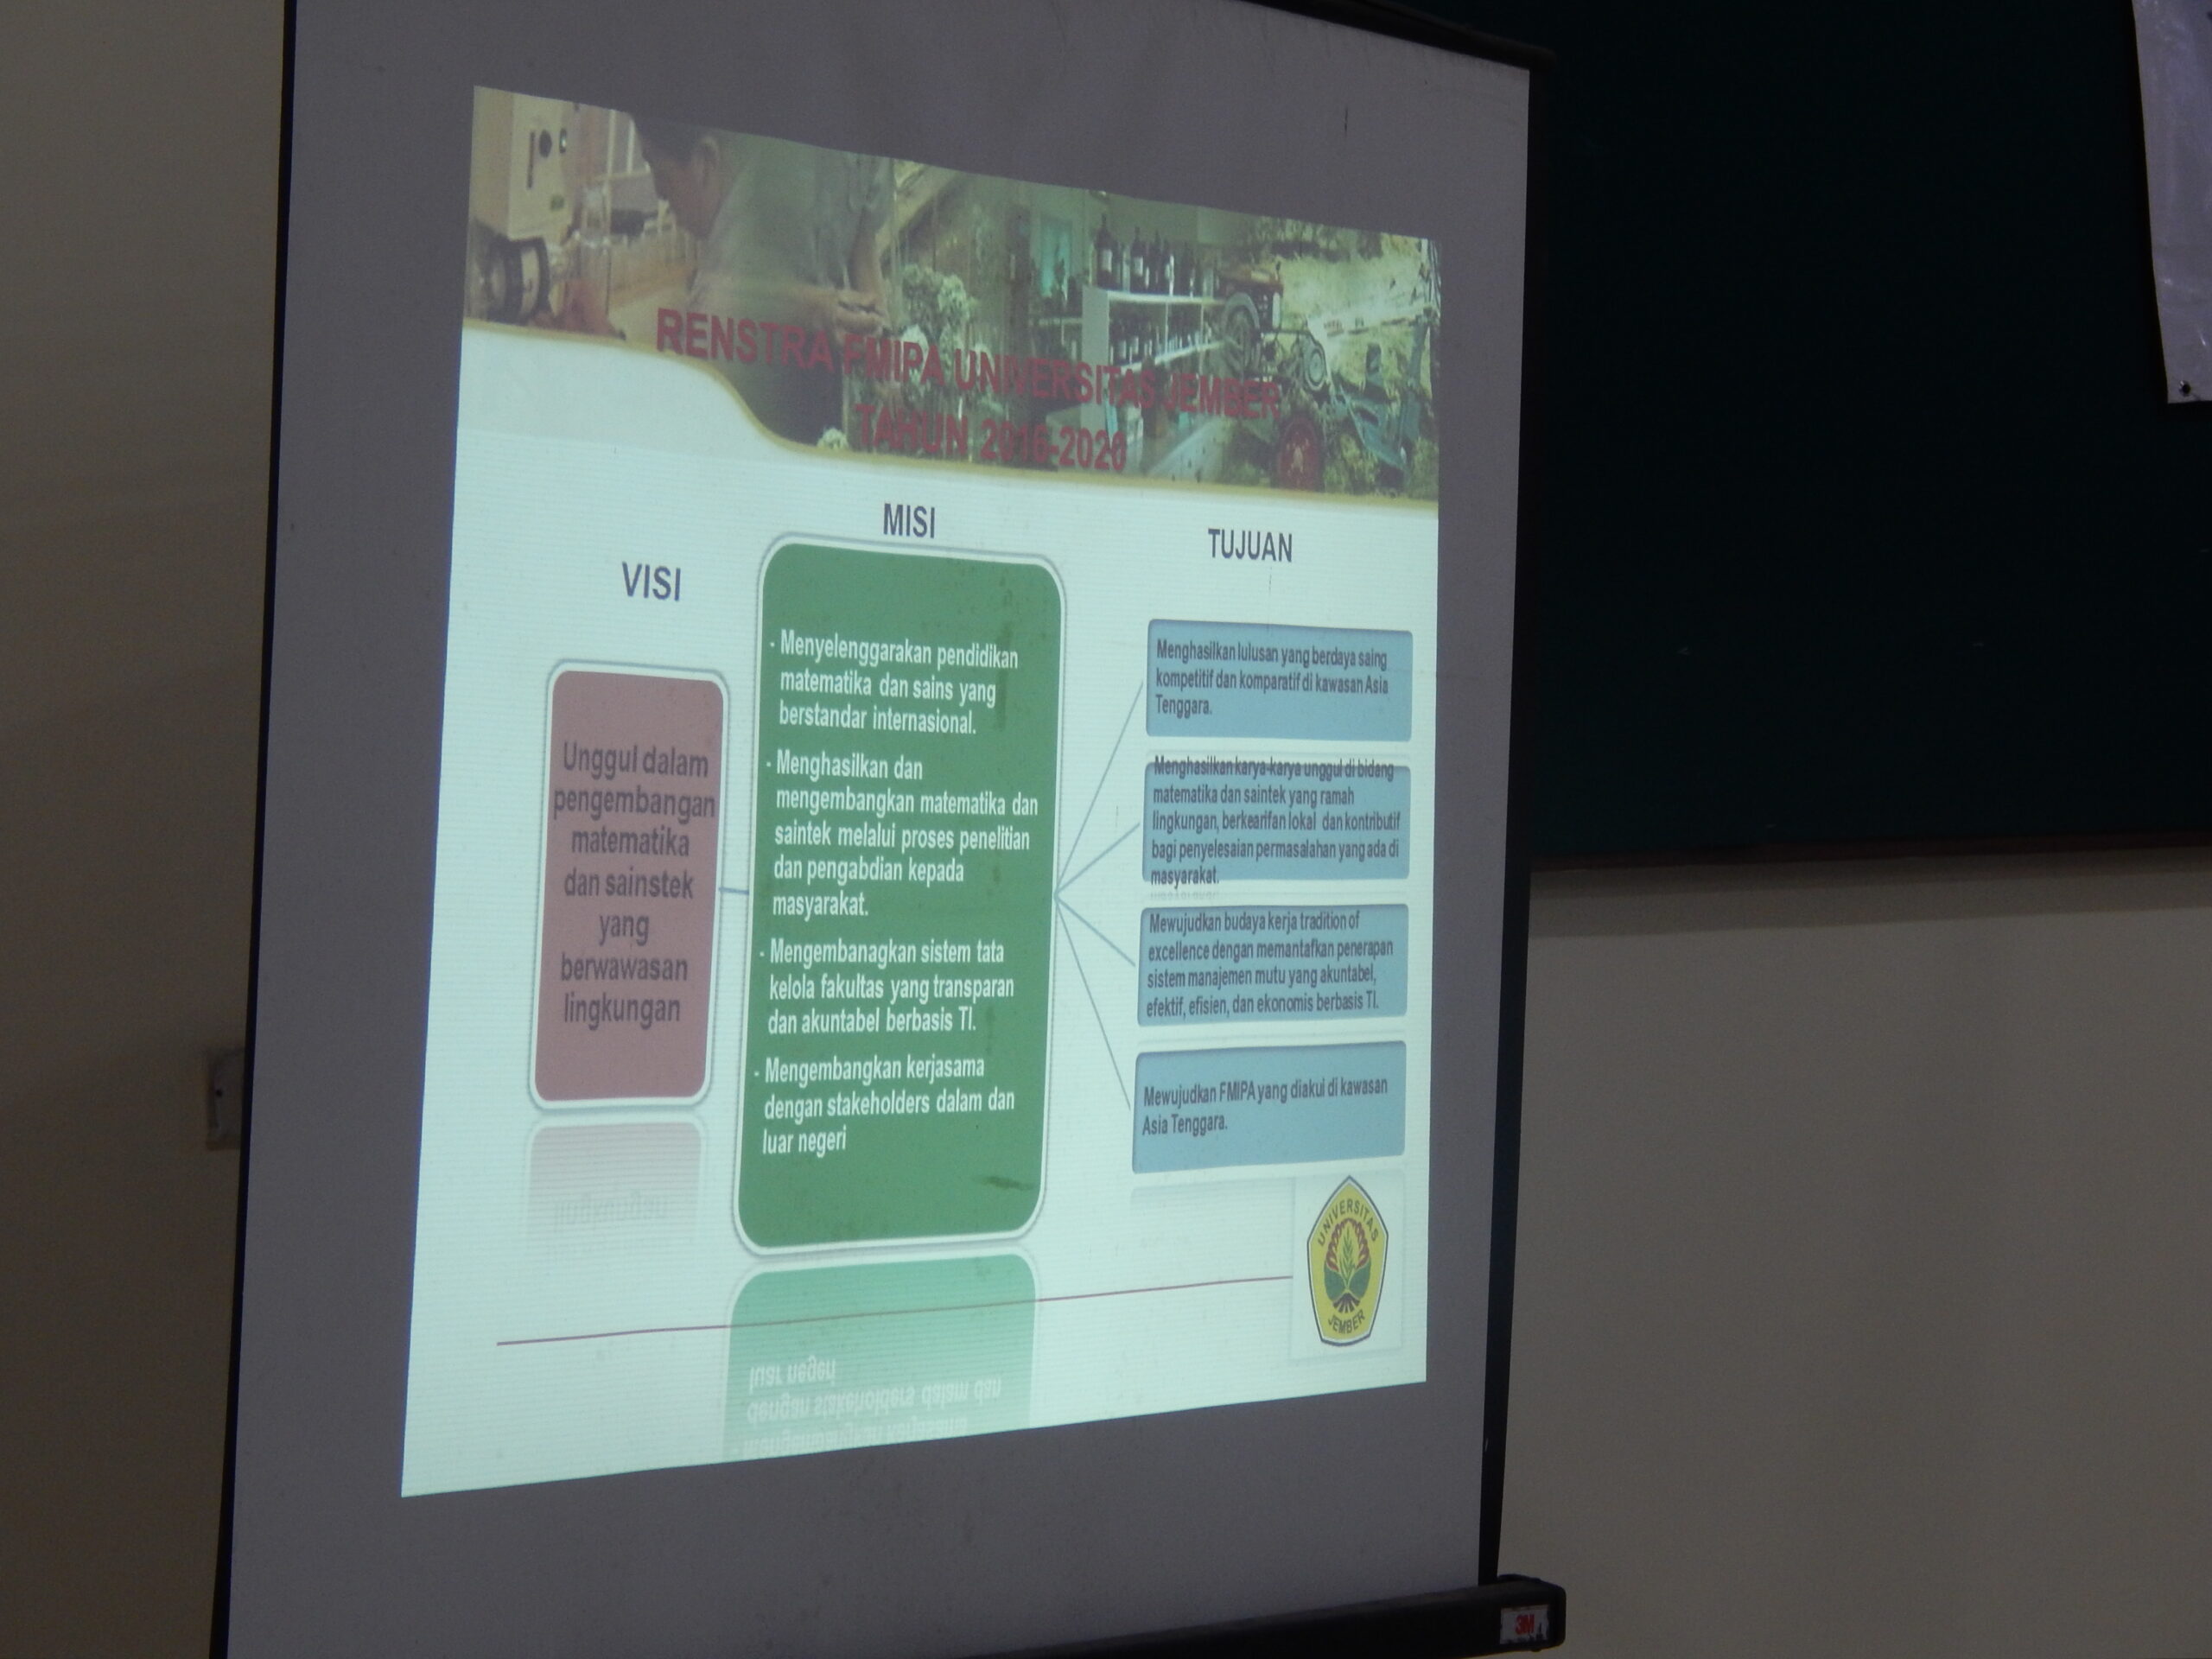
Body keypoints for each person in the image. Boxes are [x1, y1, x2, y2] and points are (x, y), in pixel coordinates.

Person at [553, 118, 896, 443]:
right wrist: (610, 344)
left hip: (815, 388)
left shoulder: (725, 277)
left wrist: (883, 352)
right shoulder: (722, 268)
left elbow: (862, 251)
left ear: (705, 162)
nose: (659, 192)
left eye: (659, 168)